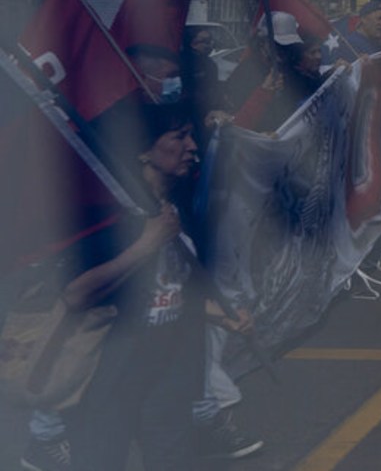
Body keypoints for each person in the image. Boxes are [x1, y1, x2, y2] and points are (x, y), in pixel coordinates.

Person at [67, 101, 248, 471]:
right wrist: (147, 243)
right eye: (178, 137)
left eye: (191, 136)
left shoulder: (179, 202)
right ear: (143, 150)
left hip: (171, 357)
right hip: (113, 360)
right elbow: (76, 294)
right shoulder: (108, 212)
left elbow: (174, 290)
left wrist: (221, 316)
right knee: (102, 457)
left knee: (171, 455)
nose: (192, 146)